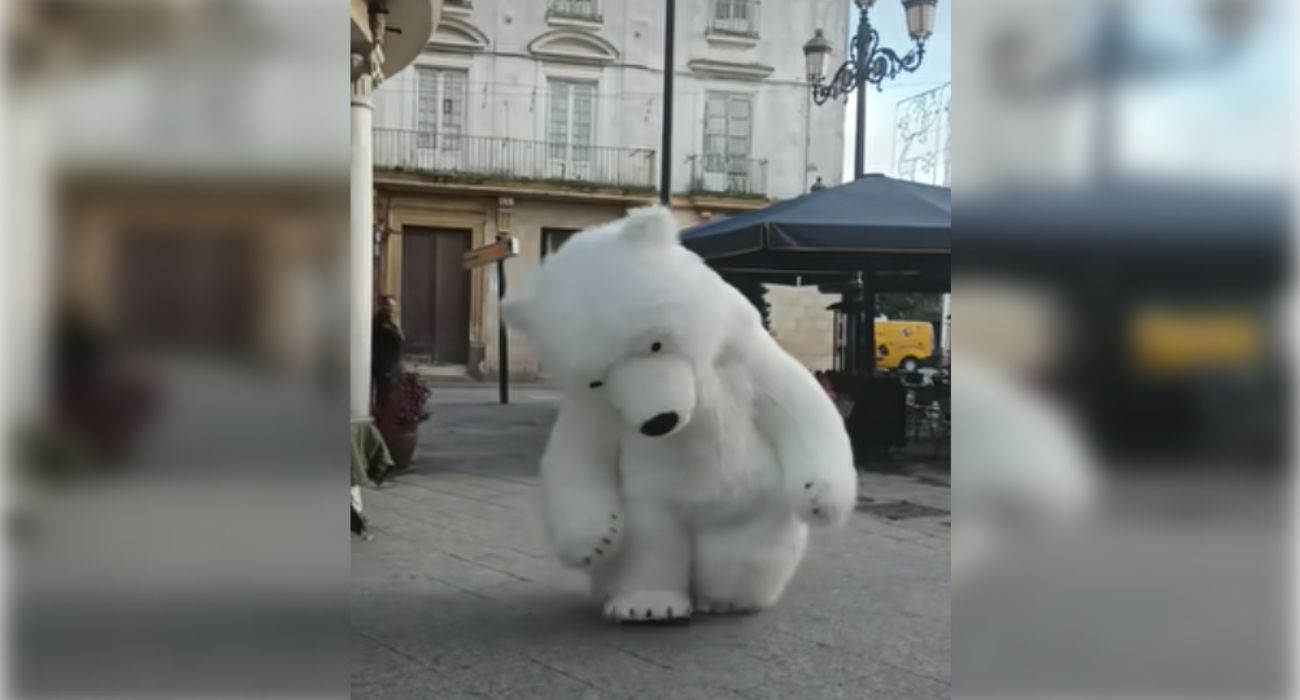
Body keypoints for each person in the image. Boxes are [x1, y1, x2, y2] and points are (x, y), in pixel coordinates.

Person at [371, 295, 404, 410]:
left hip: (389, 361)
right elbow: (398, 338)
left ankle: (385, 413)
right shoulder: (381, 320)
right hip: (383, 362)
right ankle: (382, 414)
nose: (392, 310)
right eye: (390, 307)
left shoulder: (390, 321)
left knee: (388, 390)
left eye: (394, 307)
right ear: (384, 306)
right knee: (384, 391)